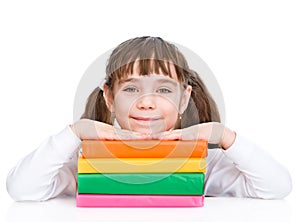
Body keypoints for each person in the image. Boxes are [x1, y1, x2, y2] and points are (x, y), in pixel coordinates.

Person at [6, 36, 292, 201]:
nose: (146, 102)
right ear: (109, 97)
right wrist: (75, 132)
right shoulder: (89, 160)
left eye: (164, 90)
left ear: (184, 99)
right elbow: (22, 190)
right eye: (131, 89)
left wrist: (223, 136)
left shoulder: (203, 162)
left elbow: (277, 187)